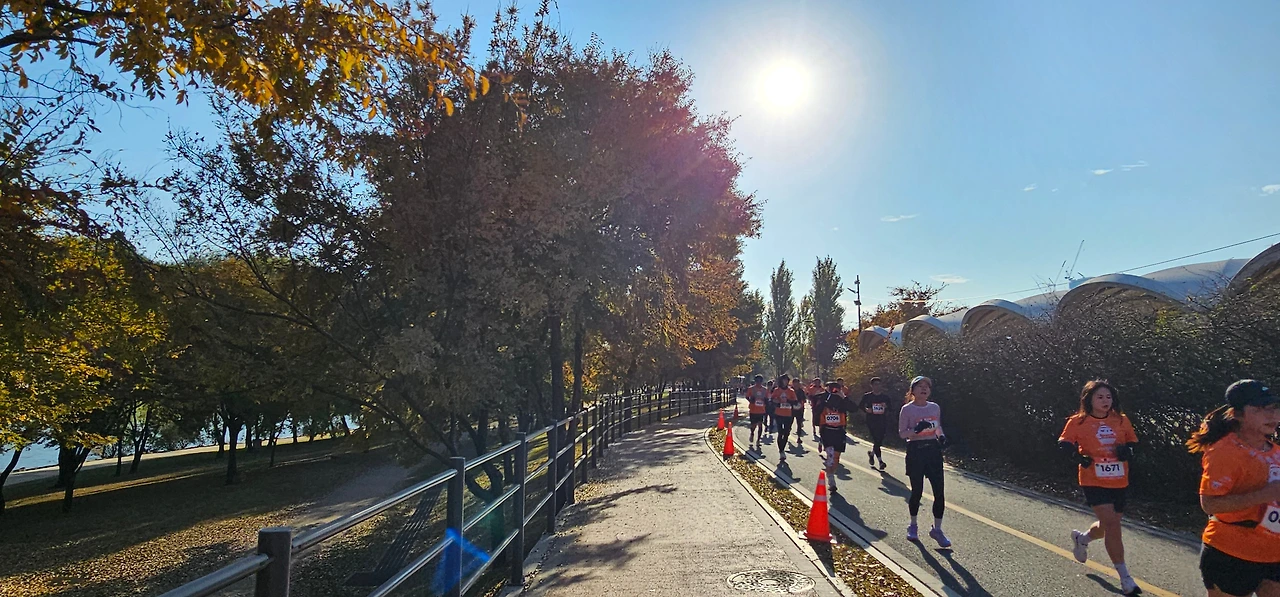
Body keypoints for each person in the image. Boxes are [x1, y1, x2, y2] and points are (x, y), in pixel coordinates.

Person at [1188, 380, 1280, 597]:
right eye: (1259, 409)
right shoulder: (1224, 451)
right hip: (1231, 553)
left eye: (1274, 407)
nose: (1272, 415)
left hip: (1273, 554)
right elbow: (1210, 504)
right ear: (1237, 414)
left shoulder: (1275, 450)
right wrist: (1264, 495)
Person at [1059, 380, 1140, 595]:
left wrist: (1127, 451)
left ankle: (1082, 538)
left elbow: (1132, 442)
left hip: (1119, 480)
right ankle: (1125, 578)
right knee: (1113, 525)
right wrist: (1079, 457)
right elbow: (1064, 444)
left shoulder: (1120, 420)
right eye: (1100, 397)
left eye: (1108, 397)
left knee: (1107, 526)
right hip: (1093, 480)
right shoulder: (1078, 421)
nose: (1105, 401)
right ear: (1089, 400)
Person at [899, 375, 950, 548]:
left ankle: (937, 529)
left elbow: (937, 426)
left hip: (933, 451)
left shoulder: (934, 407)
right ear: (912, 391)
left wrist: (941, 436)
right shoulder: (907, 409)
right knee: (917, 491)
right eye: (920, 386)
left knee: (939, 492)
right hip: (916, 451)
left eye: (926, 386)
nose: (923, 389)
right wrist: (915, 430)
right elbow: (902, 433)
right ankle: (913, 525)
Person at [817, 380, 856, 492]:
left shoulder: (842, 401)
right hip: (827, 432)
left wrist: (843, 396)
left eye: (836, 388)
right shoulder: (824, 399)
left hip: (839, 432)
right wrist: (826, 397)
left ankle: (831, 473)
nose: (834, 391)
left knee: (836, 458)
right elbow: (817, 410)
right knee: (830, 456)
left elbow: (854, 409)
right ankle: (831, 481)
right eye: (831, 388)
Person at [861, 377, 891, 471]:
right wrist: (867, 410)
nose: (877, 386)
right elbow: (861, 406)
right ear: (872, 386)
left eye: (879, 384)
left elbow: (891, 408)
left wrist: (886, 406)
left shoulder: (885, 397)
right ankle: (881, 461)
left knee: (879, 441)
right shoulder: (867, 396)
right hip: (871, 420)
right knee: (876, 439)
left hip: (882, 420)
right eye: (875, 384)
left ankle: (872, 454)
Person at [771, 375, 800, 461]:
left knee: (786, 432)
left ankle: (782, 447)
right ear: (781, 381)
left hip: (788, 414)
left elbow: (795, 401)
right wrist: (776, 402)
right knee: (780, 432)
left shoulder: (791, 391)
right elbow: (772, 400)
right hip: (779, 414)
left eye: (787, 380)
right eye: (784, 380)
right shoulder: (777, 390)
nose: (785, 382)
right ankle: (781, 451)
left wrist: (789, 401)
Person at [746, 376, 769, 451]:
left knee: (760, 425)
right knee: (753, 425)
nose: (758, 382)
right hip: (753, 410)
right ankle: (752, 433)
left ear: (762, 381)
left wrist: (766, 401)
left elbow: (767, 398)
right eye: (757, 381)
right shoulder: (751, 389)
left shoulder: (765, 390)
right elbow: (747, 396)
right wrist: (751, 400)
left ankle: (758, 440)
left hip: (761, 410)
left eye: (760, 381)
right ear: (755, 381)